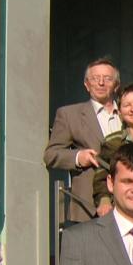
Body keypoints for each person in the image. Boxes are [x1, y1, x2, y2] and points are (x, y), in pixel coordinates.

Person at [44, 57, 122, 221]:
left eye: (107, 78)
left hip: (128, 202)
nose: (100, 83)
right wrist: (79, 157)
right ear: (87, 84)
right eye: (95, 78)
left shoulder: (129, 113)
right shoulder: (69, 115)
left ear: (116, 85)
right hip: (89, 206)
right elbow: (51, 155)